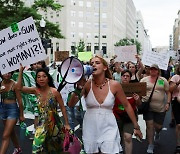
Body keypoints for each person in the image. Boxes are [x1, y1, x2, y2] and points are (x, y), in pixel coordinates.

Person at [77, 55, 142, 154]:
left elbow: (127, 105)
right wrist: (78, 88)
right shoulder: (87, 84)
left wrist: (136, 126)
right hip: (90, 125)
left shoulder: (114, 84)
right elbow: (71, 103)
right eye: (91, 63)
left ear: (105, 67)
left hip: (108, 125)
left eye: (97, 63)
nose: (93, 65)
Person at [17, 66, 70, 153]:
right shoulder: (35, 90)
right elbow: (19, 88)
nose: (41, 79)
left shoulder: (55, 92)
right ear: (36, 80)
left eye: (44, 76)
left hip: (55, 125)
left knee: (56, 149)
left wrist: (67, 124)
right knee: (36, 149)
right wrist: (21, 72)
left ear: (48, 79)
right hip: (41, 125)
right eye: (38, 77)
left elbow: (63, 108)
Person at [140, 64, 171, 154]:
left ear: (158, 71)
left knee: (158, 127)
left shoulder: (163, 80)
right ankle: (150, 144)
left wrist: (168, 103)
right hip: (147, 108)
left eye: (155, 69)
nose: (153, 71)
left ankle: (157, 132)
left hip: (160, 108)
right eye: (151, 69)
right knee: (149, 126)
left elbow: (168, 92)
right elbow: (139, 91)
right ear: (149, 70)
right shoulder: (144, 80)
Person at [113, 70, 141, 154]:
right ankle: (119, 149)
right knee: (119, 137)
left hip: (130, 117)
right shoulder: (115, 87)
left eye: (127, 76)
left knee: (128, 137)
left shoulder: (134, 89)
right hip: (117, 116)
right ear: (121, 77)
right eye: (123, 75)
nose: (125, 77)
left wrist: (138, 100)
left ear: (130, 78)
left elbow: (139, 104)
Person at [0, 71, 24, 154]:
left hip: (12, 110)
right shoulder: (0, 83)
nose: (7, 74)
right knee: (11, 131)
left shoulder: (14, 84)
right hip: (3, 108)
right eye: (5, 72)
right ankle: (17, 148)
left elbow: (20, 101)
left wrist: (21, 115)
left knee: (5, 135)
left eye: (9, 73)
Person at [169, 63, 180, 154]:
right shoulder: (175, 77)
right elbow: (170, 89)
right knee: (179, 125)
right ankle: (178, 145)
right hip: (177, 103)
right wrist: (178, 83)